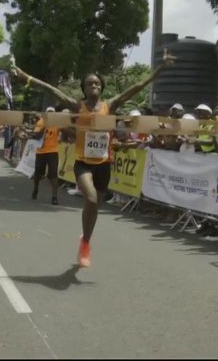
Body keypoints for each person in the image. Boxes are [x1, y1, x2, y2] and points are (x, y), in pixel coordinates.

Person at [13, 50, 175, 267]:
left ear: (101, 87)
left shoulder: (110, 106)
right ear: (84, 88)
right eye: (89, 84)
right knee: (89, 199)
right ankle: (86, 245)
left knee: (94, 208)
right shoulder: (77, 106)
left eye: (97, 83)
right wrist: (29, 79)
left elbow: (136, 88)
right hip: (83, 164)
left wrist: (161, 69)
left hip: (103, 166)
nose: (94, 86)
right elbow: (52, 89)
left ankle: (85, 241)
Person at [31, 106, 60, 205]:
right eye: (49, 112)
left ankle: (54, 196)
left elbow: (64, 133)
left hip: (53, 151)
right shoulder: (41, 122)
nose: (51, 114)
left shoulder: (57, 123)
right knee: (38, 174)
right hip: (41, 151)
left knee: (53, 174)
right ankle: (35, 189)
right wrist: (44, 127)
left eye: (52, 112)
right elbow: (36, 136)